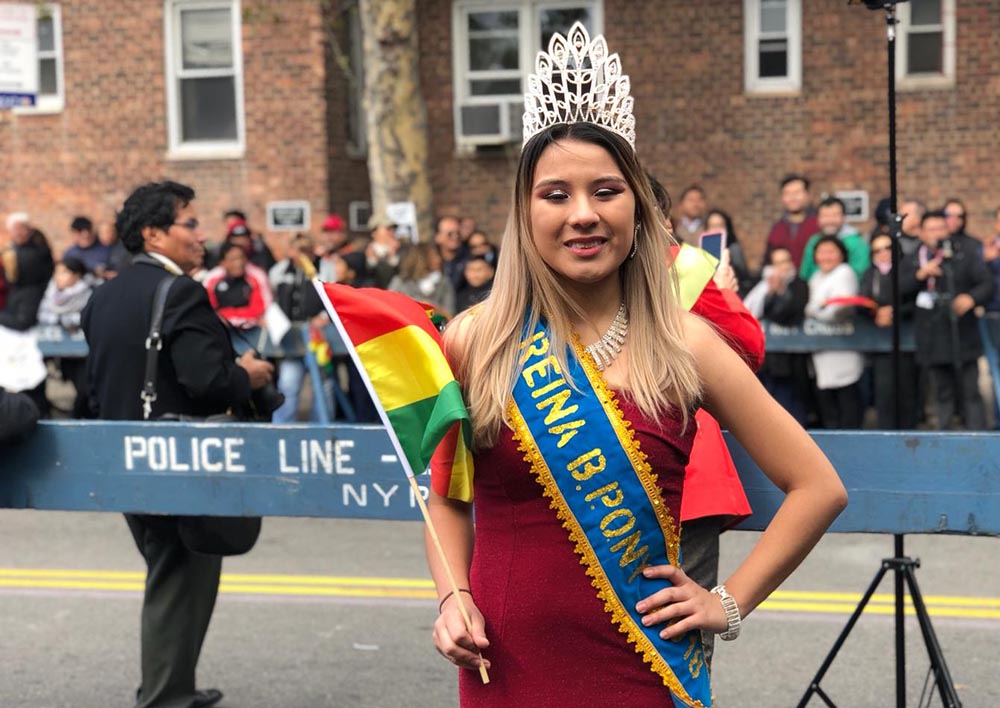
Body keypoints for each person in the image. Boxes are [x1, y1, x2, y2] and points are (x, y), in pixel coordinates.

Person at [426, 23, 846, 707]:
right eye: (556, 194)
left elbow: (817, 486)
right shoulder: (476, 339)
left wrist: (727, 604)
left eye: (607, 191)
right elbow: (445, 494)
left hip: (639, 668)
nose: (584, 214)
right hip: (502, 664)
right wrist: (453, 598)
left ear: (639, 209)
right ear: (524, 211)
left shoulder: (687, 344)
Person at [81, 181, 274, 708]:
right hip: (178, 457)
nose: (200, 234)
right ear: (154, 234)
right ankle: (164, 696)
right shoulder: (181, 292)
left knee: (178, 571)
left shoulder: (103, 295)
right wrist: (249, 375)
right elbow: (207, 381)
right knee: (178, 573)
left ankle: (177, 685)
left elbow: (93, 386)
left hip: (122, 455)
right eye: (189, 223)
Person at [903, 209, 994, 430]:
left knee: (970, 392)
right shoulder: (913, 259)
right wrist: (919, 276)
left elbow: (987, 283)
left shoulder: (964, 253)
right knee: (941, 393)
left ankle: (977, 439)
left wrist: (971, 298)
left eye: (941, 228)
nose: (937, 233)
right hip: (932, 337)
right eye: (931, 229)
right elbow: (898, 290)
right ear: (922, 233)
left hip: (963, 335)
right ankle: (943, 439)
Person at [744, 246, 811, 425]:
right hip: (769, 359)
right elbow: (759, 311)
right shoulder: (764, 287)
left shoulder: (799, 284)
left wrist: (780, 293)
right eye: (778, 263)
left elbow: (786, 315)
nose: (784, 266)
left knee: (792, 407)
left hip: (792, 359)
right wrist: (771, 294)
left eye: (786, 261)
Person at [269, 233, 331, 423]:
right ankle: (282, 429)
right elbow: (271, 298)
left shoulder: (325, 269)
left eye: (307, 250)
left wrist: (324, 316)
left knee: (323, 385)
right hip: (291, 336)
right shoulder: (280, 271)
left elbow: (334, 297)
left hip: (317, 335)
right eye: (299, 250)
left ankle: (324, 428)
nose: (303, 255)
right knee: (288, 383)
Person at [804, 236, 864, 429]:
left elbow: (837, 311)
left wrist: (814, 311)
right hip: (821, 352)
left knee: (847, 408)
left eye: (831, 251)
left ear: (841, 254)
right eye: (821, 252)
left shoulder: (844, 272)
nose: (826, 256)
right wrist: (816, 309)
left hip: (843, 349)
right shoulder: (816, 277)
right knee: (828, 410)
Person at [860, 233, 919, 429]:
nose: (883, 254)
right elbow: (861, 302)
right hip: (880, 343)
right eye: (877, 250)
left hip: (906, 341)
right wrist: (875, 313)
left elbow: (916, 300)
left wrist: (895, 312)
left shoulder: (907, 269)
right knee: (884, 394)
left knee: (907, 393)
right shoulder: (870, 274)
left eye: (887, 248)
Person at [0, 213, 54, 332]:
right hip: (14, 297)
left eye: (22, 229)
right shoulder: (10, 250)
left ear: (29, 230)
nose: (18, 233)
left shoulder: (39, 248)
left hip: (33, 295)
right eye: (15, 229)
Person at [799, 197, 870, 282]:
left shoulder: (856, 243)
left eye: (835, 215)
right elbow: (805, 274)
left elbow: (861, 275)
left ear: (844, 218)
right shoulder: (813, 241)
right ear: (818, 219)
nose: (829, 220)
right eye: (825, 216)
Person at [203, 241, 272, 329]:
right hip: (222, 329)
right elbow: (208, 310)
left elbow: (261, 310)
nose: (239, 263)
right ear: (223, 263)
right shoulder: (211, 279)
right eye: (233, 259)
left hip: (252, 330)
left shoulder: (257, 275)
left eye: (241, 258)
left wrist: (229, 315)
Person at [766, 174, 820, 269]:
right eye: (787, 193)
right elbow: (768, 261)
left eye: (797, 193)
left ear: (807, 195)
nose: (792, 198)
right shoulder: (777, 229)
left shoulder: (818, 224)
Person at [388, 242, 456, 315]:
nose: (438, 260)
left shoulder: (444, 283)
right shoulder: (400, 282)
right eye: (433, 257)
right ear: (421, 259)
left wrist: (432, 308)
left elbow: (449, 314)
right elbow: (389, 307)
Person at [704, 208, 759, 294]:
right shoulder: (701, 252)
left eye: (719, 225)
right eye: (712, 226)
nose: (716, 230)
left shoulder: (734, 249)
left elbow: (743, 278)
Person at [365, 213, 402, 288]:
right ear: (374, 232)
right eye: (388, 229)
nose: (392, 232)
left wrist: (393, 257)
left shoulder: (403, 250)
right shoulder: (364, 251)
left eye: (393, 229)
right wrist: (372, 260)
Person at [434, 215, 466, 289]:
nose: (455, 237)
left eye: (458, 233)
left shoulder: (469, 259)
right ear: (438, 237)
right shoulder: (430, 262)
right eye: (450, 234)